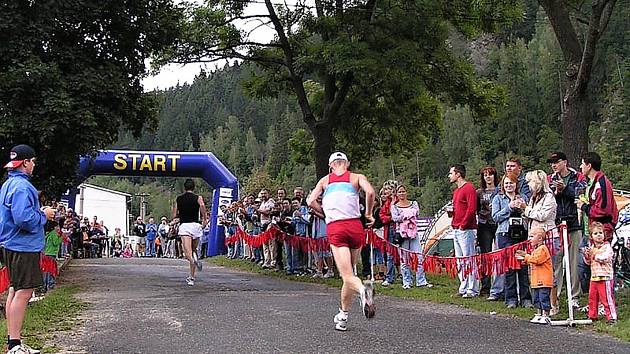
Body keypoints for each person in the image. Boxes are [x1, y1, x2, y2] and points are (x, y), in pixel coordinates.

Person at [307, 151, 376, 332]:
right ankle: (343, 316)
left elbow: (310, 200)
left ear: (331, 165)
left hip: (337, 226)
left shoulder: (325, 181)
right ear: (347, 163)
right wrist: (368, 213)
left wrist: (324, 213)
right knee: (349, 275)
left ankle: (363, 291)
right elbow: (370, 192)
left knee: (347, 276)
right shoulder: (356, 177)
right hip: (355, 226)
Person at [0, 144, 56, 354]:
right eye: (33, 161)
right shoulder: (24, 187)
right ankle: (15, 344)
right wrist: (44, 215)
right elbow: (23, 218)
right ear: (25, 162)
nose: (34, 165)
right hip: (23, 245)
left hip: (9, 243)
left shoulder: (8, 184)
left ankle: (12, 341)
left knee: (14, 290)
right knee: (24, 292)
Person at [547, 151, 586, 309]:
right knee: (556, 262)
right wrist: (556, 193)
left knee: (574, 262)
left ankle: (574, 296)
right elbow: (547, 199)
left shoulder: (578, 177)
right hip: (556, 225)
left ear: (565, 162)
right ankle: (554, 297)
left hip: (573, 223)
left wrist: (566, 189)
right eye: (552, 163)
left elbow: (580, 195)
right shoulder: (550, 179)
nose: (554, 165)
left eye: (556, 162)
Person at [514, 170, 556, 312]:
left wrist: (526, 209)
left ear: (538, 182)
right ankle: (539, 307)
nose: (528, 185)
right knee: (535, 269)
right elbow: (531, 216)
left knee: (550, 273)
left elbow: (542, 215)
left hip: (548, 237)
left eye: (531, 182)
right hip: (534, 237)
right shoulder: (533, 198)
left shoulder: (549, 197)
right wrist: (522, 210)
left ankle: (552, 305)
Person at [492, 172, 530, 308]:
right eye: (506, 183)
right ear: (503, 185)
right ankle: (511, 299)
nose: (509, 185)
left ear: (516, 184)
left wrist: (522, 208)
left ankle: (526, 298)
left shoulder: (524, 197)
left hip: (521, 234)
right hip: (505, 234)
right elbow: (495, 217)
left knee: (523, 266)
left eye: (511, 183)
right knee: (509, 268)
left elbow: (529, 215)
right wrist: (509, 207)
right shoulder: (498, 198)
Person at [390, 184, 432, 289]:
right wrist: (406, 215)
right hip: (402, 234)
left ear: (406, 192)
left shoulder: (414, 203)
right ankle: (407, 281)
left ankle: (421, 281)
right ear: (396, 194)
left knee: (419, 256)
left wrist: (406, 215)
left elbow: (416, 213)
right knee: (404, 258)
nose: (402, 193)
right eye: (400, 192)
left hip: (413, 233)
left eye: (403, 191)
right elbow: (395, 218)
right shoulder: (394, 206)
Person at [448, 164, 479, 298]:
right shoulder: (456, 192)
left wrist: (463, 224)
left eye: (451, 173)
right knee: (460, 259)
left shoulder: (469, 188)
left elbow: (472, 209)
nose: (449, 176)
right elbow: (457, 209)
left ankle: (472, 288)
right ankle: (463, 286)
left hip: (466, 229)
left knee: (468, 258)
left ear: (458, 174)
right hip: (456, 227)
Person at [577, 152, 618, 242]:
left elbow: (603, 210)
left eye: (583, 163)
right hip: (591, 231)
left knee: (601, 255)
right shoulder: (591, 183)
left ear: (589, 166)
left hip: (601, 232)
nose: (580, 167)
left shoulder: (601, 184)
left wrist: (584, 206)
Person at [173, 179, 208, 286]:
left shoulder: (179, 199)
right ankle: (191, 277)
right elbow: (202, 206)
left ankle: (194, 263)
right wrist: (205, 218)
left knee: (187, 253)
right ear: (194, 187)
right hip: (196, 225)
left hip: (185, 226)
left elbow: (175, 213)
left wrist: (176, 218)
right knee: (194, 251)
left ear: (184, 187)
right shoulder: (198, 198)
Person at [516, 227, 553, 324]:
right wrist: (524, 259)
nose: (530, 239)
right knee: (536, 298)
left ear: (540, 238)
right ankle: (538, 314)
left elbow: (537, 260)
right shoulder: (535, 250)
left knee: (543, 297)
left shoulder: (543, 249)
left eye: (532, 236)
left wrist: (526, 256)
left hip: (544, 281)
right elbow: (532, 260)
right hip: (536, 280)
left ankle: (546, 314)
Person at [583, 222, 617, 324]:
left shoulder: (607, 247)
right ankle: (592, 315)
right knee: (592, 297)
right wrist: (587, 256)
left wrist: (594, 255)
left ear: (604, 234)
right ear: (591, 236)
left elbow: (605, 258)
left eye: (600, 233)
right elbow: (588, 262)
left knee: (606, 298)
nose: (598, 235)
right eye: (595, 233)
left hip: (605, 276)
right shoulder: (592, 248)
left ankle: (611, 316)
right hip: (594, 276)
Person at [476, 166, 499, 296]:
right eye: (485, 175)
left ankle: (500, 286)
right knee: (485, 255)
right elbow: (476, 209)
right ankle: (485, 286)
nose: (488, 177)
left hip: (497, 223)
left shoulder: (500, 190)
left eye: (490, 174)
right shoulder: (479, 192)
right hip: (484, 225)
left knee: (501, 253)